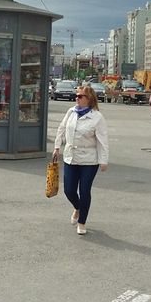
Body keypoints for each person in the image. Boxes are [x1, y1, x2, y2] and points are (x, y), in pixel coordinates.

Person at [52, 85, 109, 236]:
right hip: (71, 156)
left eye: (80, 96)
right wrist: (57, 147)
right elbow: (61, 129)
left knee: (84, 191)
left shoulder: (97, 117)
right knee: (69, 190)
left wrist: (104, 160)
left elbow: (103, 141)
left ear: (89, 99)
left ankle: (82, 221)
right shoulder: (71, 111)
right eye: (76, 95)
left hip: (89, 160)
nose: (76, 98)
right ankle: (78, 208)